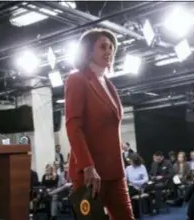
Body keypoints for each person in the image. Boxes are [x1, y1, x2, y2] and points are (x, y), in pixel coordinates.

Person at [65, 28, 134, 220]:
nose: (109, 51)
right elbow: (73, 126)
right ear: (88, 51)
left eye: (111, 47)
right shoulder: (77, 79)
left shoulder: (109, 84)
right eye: (103, 46)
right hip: (90, 173)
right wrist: (88, 166)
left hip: (114, 170)